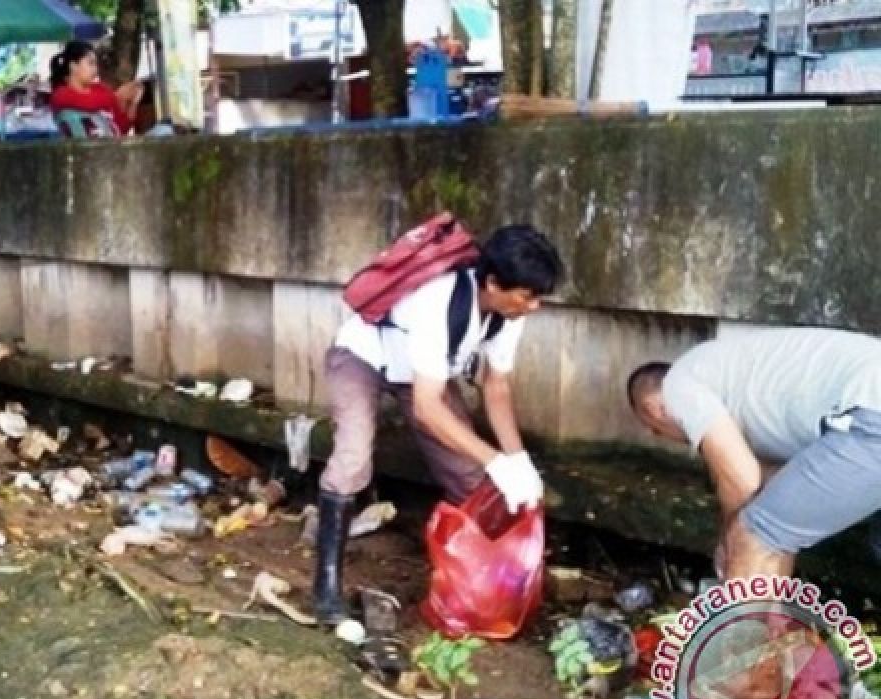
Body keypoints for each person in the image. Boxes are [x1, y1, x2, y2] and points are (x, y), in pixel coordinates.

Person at [313, 224, 564, 624]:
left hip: (420, 374)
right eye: (528, 295)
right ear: (495, 283)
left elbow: (495, 386)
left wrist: (518, 462)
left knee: (470, 476)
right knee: (353, 457)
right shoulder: (438, 299)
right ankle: (326, 585)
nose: (534, 306)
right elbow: (429, 410)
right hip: (362, 357)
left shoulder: (506, 313)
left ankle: (481, 583)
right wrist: (497, 460)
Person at [626, 327, 881, 580]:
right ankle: (771, 618)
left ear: (652, 410)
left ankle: (743, 622)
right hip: (868, 403)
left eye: (654, 430)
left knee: (750, 536)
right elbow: (777, 500)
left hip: (870, 413)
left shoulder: (678, 384)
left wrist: (730, 543)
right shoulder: (741, 387)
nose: (657, 436)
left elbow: (742, 481)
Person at [49, 41, 143, 137]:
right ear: (73, 66)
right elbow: (88, 102)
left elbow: (122, 128)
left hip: (112, 147)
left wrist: (134, 102)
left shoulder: (101, 90)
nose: (95, 69)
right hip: (85, 151)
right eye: (90, 63)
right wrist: (117, 96)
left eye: (95, 64)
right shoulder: (61, 94)